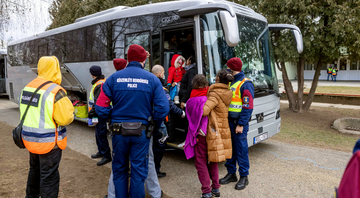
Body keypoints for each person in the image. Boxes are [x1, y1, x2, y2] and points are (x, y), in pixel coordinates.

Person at [95, 44, 169, 198]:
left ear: (128, 59)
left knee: (120, 170)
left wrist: (111, 117)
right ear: (143, 60)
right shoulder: (152, 79)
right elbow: (163, 108)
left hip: (118, 132)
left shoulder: (113, 79)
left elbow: (100, 107)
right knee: (138, 172)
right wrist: (153, 123)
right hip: (141, 133)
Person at [20, 56, 74, 198]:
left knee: (34, 171)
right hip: (49, 143)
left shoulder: (28, 87)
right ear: (55, 69)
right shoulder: (56, 91)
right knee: (49, 177)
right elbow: (66, 118)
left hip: (30, 140)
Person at [219, 57, 254, 191]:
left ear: (232, 69)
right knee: (230, 150)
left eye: (228, 68)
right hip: (229, 122)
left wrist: (241, 124)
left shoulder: (245, 84)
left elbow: (248, 107)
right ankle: (231, 173)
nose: (226, 70)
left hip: (238, 124)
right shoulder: (231, 82)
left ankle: (244, 177)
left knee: (241, 150)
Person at [152, 65, 185, 178]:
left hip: (146, 120)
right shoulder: (161, 88)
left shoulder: (147, 83)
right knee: (160, 146)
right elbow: (169, 105)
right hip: (158, 122)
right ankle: (155, 170)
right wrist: (181, 113)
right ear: (160, 74)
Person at [88, 65, 112, 166]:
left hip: (99, 113)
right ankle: (101, 151)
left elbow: (98, 102)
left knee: (101, 134)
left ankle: (106, 155)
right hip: (98, 113)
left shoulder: (99, 84)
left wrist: (91, 113)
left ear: (92, 74)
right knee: (98, 133)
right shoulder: (100, 82)